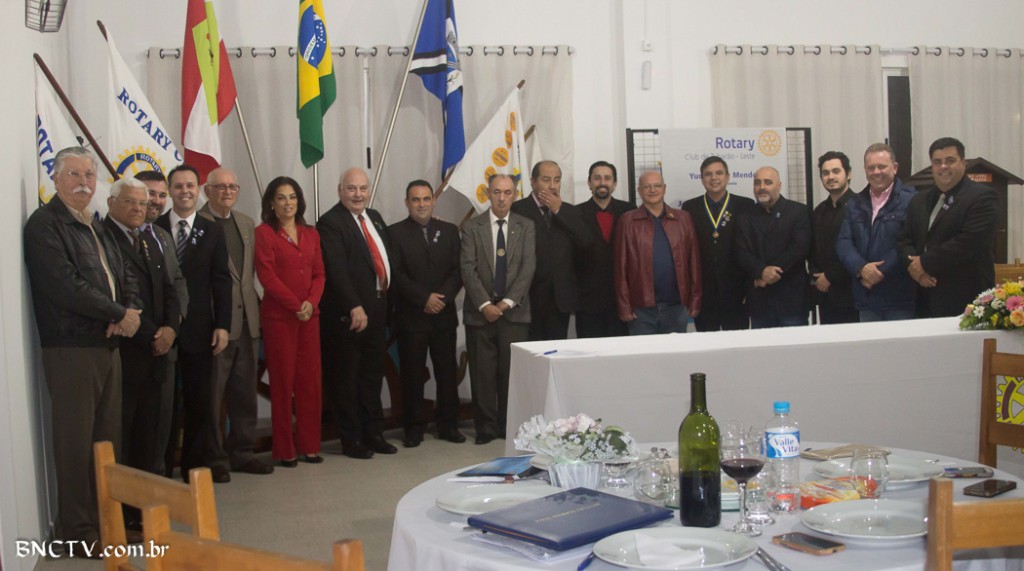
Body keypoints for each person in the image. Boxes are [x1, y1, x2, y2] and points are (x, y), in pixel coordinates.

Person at [24, 146, 140, 549]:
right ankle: (77, 533)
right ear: (55, 178)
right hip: (71, 348)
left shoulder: (95, 224)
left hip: (107, 345)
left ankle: (106, 526)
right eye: (73, 174)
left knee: (106, 443)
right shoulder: (45, 225)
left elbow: (124, 274)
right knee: (75, 444)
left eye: (89, 175)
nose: (83, 183)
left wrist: (128, 311)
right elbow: (65, 286)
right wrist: (117, 313)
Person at [155, 164, 232, 483]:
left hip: (201, 330)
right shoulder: (155, 227)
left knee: (200, 402)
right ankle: (161, 470)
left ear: (198, 190)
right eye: (178, 186)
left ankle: (194, 470)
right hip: (163, 330)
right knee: (165, 407)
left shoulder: (211, 230)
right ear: (169, 191)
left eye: (190, 185)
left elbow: (222, 281)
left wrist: (223, 325)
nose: (184, 191)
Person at [102, 176, 179, 492]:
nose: (138, 208)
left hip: (157, 354)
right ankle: (124, 509)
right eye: (130, 202)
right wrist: (153, 335)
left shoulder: (149, 238)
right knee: (125, 437)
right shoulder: (103, 239)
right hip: (127, 354)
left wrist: (171, 329)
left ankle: (145, 506)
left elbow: (169, 289)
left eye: (143, 203)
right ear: (111, 203)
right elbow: (121, 298)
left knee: (150, 437)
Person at [198, 167, 273, 477]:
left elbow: (248, 275)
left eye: (232, 187)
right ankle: (214, 458)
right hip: (216, 325)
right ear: (207, 191)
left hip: (247, 322)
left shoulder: (245, 223)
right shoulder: (198, 223)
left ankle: (242, 452)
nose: (227, 192)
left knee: (244, 394)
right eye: (220, 187)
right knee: (212, 397)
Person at [317, 168, 397, 459]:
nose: (358, 194)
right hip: (349, 315)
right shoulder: (330, 223)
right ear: (340, 190)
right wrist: (354, 305)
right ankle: (351, 440)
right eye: (351, 189)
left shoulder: (374, 217)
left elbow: (386, 256)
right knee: (347, 380)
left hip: (377, 309)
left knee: (372, 376)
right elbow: (335, 270)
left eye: (363, 188)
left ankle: (373, 434)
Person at [254, 177, 325, 467]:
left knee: (310, 383)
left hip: (309, 318)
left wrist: (311, 303)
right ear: (271, 203)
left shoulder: (311, 233)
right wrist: (296, 305)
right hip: (280, 319)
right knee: (282, 384)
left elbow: (320, 274)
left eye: (292, 197)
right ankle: (284, 449)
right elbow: (266, 276)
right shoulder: (264, 233)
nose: (288, 203)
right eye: (281, 197)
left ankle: (310, 445)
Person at [388, 180, 465, 447]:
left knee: (447, 373)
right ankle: (413, 428)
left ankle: (448, 425)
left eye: (426, 199)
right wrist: (424, 299)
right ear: (407, 203)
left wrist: (441, 298)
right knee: (412, 375)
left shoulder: (450, 231)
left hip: (443, 315)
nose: (421, 204)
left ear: (433, 201)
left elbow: (458, 270)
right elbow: (396, 274)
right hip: (412, 317)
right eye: (415, 199)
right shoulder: (394, 233)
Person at [461, 174, 535, 444]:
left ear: (514, 195)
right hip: (480, 313)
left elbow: (528, 268)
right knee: (482, 374)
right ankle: (485, 427)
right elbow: (467, 268)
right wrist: (485, 304)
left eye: (507, 192)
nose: (502, 198)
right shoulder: (472, 227)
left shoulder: (526, 226)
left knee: (510, 374)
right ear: (488, 194)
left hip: (514, 313)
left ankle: (508, 425)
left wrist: (505, 304)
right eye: (496, 192)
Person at [897, 137, 999, 317]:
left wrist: (924, 263)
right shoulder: (919, 200)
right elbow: (904, 240)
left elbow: (968, 242)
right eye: (937, 162)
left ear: (963, 163)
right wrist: (916, 270)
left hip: (966, 300)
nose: (943, 167)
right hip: (924, 298)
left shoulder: (982, 197)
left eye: (950, 160)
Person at [135, 169, 189, 476]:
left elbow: (176, 283)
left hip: (167, 345)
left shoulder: (162, 237)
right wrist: (154, 333)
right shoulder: (116, 235)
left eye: (160, 195)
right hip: (136, 347)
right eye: (148, 194)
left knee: (162, 428)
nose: (155, 201)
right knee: (138, 433)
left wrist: (172, 326)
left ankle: (159, 489)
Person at [614, 170, 702, 335]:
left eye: (657, 186)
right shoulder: (627, 221)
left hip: (676, 308)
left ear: (664, 188)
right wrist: (624, 306)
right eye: (647, 186)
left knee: (675, 352)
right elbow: (621, 267)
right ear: (639, 191)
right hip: (641, 310)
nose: (652, 190)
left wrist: (695, 300)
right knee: (643, 353)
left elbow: (694, 263)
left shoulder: (683, 219)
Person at [510, 160, 590, 340]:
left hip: (560, 299)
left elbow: (585, 241)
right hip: (527, 298)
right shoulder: (517, 210)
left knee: (556, 349)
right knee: (529, 350)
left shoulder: (570, 211)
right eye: (546, 180)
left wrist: (558, 210)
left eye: (557, 180)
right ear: (533, 182)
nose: (553, 186)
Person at [836, 144, 917, 322]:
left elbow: (909, 242)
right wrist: (861, 268)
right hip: (865, 296)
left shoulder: (911, 200)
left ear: (894, 168)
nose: (876, 172)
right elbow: (844, 242)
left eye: (882, 166)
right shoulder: (855, 203)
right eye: (871, 167)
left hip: (899, 297)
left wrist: (877, 272)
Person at [682, 156, 754, 331]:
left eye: (719, 173)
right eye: (708, 174)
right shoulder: (690, 208)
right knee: (707, 344)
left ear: (728, 177)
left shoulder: (745, 205)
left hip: (737, 293)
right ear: (701, 179)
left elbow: (752, 248)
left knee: (738, 344)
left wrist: (749, 289)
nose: (714, 178)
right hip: (704, 294)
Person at [735, 166, 811, 328]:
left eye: (768, 182)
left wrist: (769, 273)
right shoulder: (744, 216)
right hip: (759, 302)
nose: (762, 187)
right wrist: (761, 271)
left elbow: (799, 249)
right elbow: (741, 252)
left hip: (792, 301)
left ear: (779, 185)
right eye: (757, 183)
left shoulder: (798, 211)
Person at [574, 161, 632, 338]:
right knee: (589, 351)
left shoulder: (629, 211)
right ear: (589, 183)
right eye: (597, 178)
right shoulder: (576, 213)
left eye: (607, 178)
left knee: (620, 351)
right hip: (587, 302)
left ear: (614, 183)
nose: (602, 182)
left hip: (622, 301)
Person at [809, 151, 858, 324]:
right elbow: (812, 250)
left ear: (848, 174)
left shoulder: (861, 207)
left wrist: (830, 276)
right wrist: (817, 276)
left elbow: (859, 249)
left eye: (836, 171)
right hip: (824, 294)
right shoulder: (818, 211)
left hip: (852, 294)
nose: (830, 177)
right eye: (825, 173)